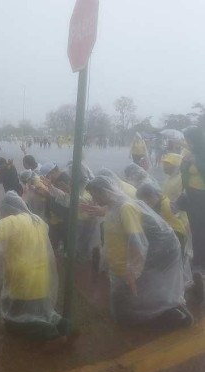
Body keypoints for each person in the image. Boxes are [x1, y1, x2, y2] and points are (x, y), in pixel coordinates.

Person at [0, 192, 72, 347]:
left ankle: (50, 334)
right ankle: (66, 326)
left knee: (15, 321)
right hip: (42, 277)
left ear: (6, 209)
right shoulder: (37, 220)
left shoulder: (12, 221)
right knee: (44, 312)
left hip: (23, 280)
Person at [85, 176, 192, 328]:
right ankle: (165, 310)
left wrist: (133, 270)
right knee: (126, 307)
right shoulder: (113, 207)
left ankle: (173, 314)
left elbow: (137, 241)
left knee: (131, 307)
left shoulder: (125, 207)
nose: (94, 200)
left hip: (140, 260)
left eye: (95, 195)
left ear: (104, 192)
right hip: (124, 264)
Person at [180, 126, 205, 298]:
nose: (185, 141)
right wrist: (185, 162)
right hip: (192, 195)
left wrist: (194, 160)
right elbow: (184, 173)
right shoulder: (190, 152)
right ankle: (198, 260)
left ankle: (200, 262)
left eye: (187, 138)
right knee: (196, 230)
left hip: (202, 196)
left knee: (201, 229)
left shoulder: (201, 151)